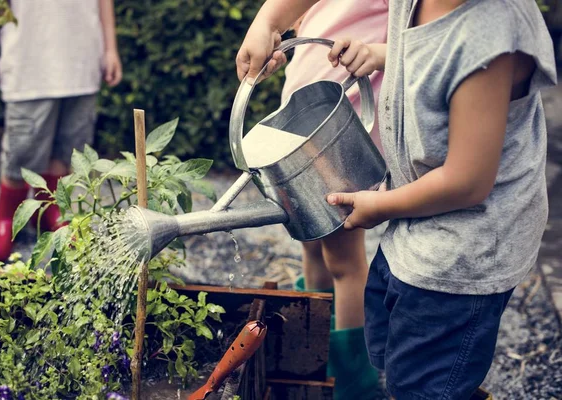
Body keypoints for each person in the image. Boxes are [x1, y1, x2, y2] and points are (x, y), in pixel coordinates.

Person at [236, 0, 556, 398]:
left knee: (423, 381)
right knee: (401, 357)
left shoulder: (487, 41)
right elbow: (426, 54)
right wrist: (272, 21)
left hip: (466, 253)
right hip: (419, 227)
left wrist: (380, 206)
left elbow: (468, 182)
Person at [279, 2, 388, 399]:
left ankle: (351, 373)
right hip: (299, 119)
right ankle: (316, 343)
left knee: (343, 258)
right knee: (309, 240)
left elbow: (420, 42)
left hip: (341, 127)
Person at [0, 0, 122, 261]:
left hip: (82, 61)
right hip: (29, 65)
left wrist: (110, 48)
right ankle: (6, 220)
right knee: (21, 154)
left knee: (67, 151)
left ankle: (52, 213)